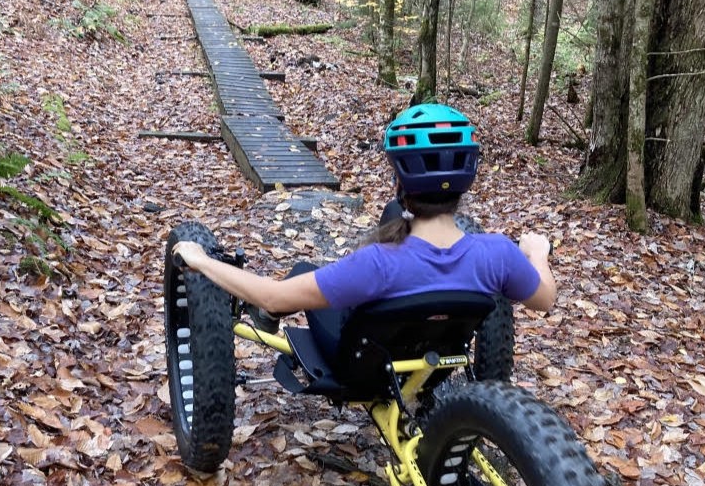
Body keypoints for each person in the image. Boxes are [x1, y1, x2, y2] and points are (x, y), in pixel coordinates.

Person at [172, 104, 556, 361]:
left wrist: (202, 260)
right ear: (466, 180)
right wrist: (536, 252)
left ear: (398, 180)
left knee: (304, 271)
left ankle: (274, 313)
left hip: (359, 363)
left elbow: (271, 295)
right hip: (432, 352)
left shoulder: (377, 264)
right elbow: (545, 301)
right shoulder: (498, 254)